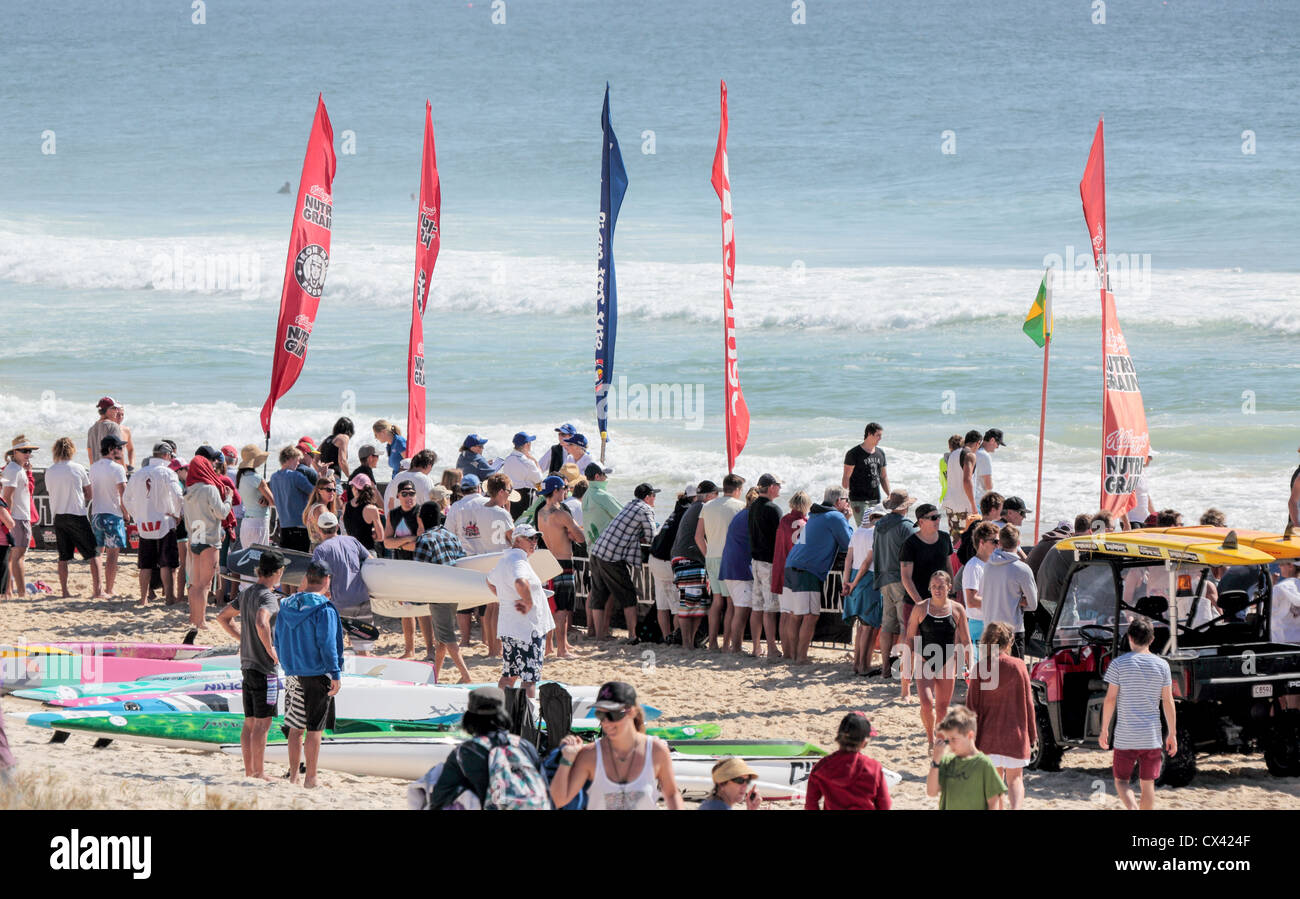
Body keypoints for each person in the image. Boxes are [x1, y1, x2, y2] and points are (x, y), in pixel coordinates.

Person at [550, 681, 684, 810]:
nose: (606, 722)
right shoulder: (590, 755)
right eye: (600, 714)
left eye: (612, 714)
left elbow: (671, 794)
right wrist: (566, 761)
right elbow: (557, 800)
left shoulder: (656, 750)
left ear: (631, 711)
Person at [216, 548, 286, 781]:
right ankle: (258, 772)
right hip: (265, 668)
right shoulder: (268, 596)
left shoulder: (246, 593)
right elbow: (261, 621)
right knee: (263, 724)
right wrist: (270, 648)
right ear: (278, 572)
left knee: (249, 723)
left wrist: (243, 639)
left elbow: (222, 617)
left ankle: (250, 771)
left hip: (246, 665)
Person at [273, 560, 343, 788]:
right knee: (315, 728)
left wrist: (287, 664)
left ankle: (294, 776)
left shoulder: (286, 604)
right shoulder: (324, 608)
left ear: (306, 579)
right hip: (317, 672)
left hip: (293, 672)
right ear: (326, 580)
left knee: (295, 727)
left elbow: (278, 640)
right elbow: (328, 643)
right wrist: (335, 672)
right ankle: (311, 779)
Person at [1100, 616, 1177, 810]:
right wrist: (1172, 733)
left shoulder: (1118, 664)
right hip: (1151, 736)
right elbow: (1168, 701)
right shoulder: (1162, 666)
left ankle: (1132, 808)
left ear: (1129, 638)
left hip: (1126, 735)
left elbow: (1110, 700)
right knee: (1148, 783)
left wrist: (1104, 730)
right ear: (1152, 640)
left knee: (1121, 781)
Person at [428, 687, 548, 810]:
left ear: (469, 718)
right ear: (503, 714)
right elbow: (545, 790)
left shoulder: (465, 752)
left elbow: (439, 799)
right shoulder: (525, 746)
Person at [965, 622, 1035, 809]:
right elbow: (1029, 704)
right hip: (1016, 734)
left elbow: (971, 708)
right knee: (1015, 779)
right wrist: (1033, 734)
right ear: (1010, 641)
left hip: (988, 736)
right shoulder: (1019, 666)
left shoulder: (980, 668)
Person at [783, 487, 854, 664]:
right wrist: (847, 520)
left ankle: (791, 654)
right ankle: (800, 657)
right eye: (847, 500)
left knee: (796, 614)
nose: (848, 503)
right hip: (807, 569)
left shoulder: (816, 514)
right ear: (838, 502)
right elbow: (849, 543)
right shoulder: (835, 516)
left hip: (792, 564)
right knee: (810, 615)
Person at [902, 570, 971, 747]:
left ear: (949, 587)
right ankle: (931, 739)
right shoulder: (921, 607)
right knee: (926, 704)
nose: (937, 590)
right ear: (929, 588)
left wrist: (970, 666)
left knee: (941, 708)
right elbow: (909, 637)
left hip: (948, 663)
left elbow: (965, 640)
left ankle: (939, 739)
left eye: (941, 586)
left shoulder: (957, 609)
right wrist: (907, 661)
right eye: (933, 586)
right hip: (925, 661)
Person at [485, 523, 555, 697]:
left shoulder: (505, 560)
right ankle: (527, 717)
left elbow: (489, 580)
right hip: (527, 630)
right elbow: (520, 582)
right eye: (529, 538)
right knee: (529, 678)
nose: (534, 542)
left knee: (510, 675)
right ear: (517, 540)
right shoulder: (518, 560)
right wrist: (528, 602)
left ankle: (498, 712)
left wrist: (504, 596)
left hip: (511, 628)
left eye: (536, 538)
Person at [589, 484, 659, 644]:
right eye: (654, 495)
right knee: (628, 595)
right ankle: (633, 635)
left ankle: (600, 636)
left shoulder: (630, 505)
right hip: (611, 556)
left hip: (597, 550)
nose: (655, 499)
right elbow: (652, 536)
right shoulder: (646, 509)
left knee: (599, 595)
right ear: (647, 497)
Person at [413, 502, 472, 681]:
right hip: (453, 591)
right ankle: (435, 676)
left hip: (437, 593)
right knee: (441, 639)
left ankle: (465, 675)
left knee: (447, 636)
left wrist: (413, 598)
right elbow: (462, 561)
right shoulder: (451, 536)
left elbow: (419, 572)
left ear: (420, 519)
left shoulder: (424, 540)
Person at [123, 442, 184, 604]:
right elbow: (178, 496)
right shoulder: (168, 473)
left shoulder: (138, 474)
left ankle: (143, 598)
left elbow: (126, 499)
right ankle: (169, 598)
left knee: (145, 564)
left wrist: (138, 515)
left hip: (144, 523)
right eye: (170, 456)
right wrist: (178, 514)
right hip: (164, 522)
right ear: (166, 455)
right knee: (167, 563)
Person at [44, 437, 103, 598]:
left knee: (63, 557)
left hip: (59, 515)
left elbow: (51, 491)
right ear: (72, 450)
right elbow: (89, 493)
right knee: (94, 553)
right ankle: (98, 591)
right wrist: (79, 495)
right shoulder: (77, 468)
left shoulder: (50, 470)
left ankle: (64, 591)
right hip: (76, 514)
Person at [535, 475, 585, 658]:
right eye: (564, 488)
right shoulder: (561, 514)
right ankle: (562, 650)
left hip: (548, 561)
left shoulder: (541, 512)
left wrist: (568, 532)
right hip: (563, 562)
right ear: (556, 490)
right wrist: (573, 530)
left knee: (551, 606)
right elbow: (581, 537)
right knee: (562, 609)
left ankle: (550, 646)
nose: (566, 491)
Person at [182, 454, 232, 630]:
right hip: (209, 538)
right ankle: (201, 621)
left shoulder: (187, 490)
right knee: (205, 584)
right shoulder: (209, 489)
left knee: (195, 584)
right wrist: (229, 498)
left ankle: (194, 619)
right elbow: (222, 513)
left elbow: (186, 518)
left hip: (195, 535)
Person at [697, 473, 746, 651]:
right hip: (730, 557)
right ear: (738, 490)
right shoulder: (741, 506)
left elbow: (698, 536)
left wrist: (707, 554)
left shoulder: (707, 506)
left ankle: (712, 642)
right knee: (731, 602)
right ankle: (726, 643)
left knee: (716, 601)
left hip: (711, 556)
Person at [805, 711, 892, 810]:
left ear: (839, 737)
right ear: (864, 742)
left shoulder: (821, 766)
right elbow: (885, 804)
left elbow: (810, 804)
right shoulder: (873, 767)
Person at [873, 488, 918, 679]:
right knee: (904, 624)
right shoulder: (906, 526)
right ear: (905, 507)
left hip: (883, 577)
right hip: (900, 579)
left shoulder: (879, 524)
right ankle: (901, 668)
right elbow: (914, 553)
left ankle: (885, 667)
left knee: (887, 624)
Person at [927, 706, 1007, 810]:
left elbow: (993, 802)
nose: (950, 744)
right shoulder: (947, 762)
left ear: (970, 735)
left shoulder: (983, 764)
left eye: (953, 739)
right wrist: (936, 761)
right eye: (947, 740)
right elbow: (931, 792)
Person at [670, 480, 719, 650]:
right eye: (716, 495)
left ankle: (689, 642)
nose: (718, 498)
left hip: (682, 558)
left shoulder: (694, 507)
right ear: (710, 496)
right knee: (690, 605)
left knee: (696, 604)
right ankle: (687, 643)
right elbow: (700, 537)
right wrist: (709, 559)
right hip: (689, 559)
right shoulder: (703, 508)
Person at [979, 525, 1039, 658]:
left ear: (999, 543)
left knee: (989, 676)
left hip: (990, 628)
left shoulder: (988, 566)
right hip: (1012, 630)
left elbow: (982, 593)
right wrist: (1019, 602)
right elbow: (1033, 604)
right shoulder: (1022, 569)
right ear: (1018, 544)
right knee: (1014, 675)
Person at [842, 505, 885, 675]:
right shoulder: (876, 533)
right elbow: (868, 562)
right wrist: (855, 582)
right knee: (868, 626)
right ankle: (863, 666)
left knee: (861, 626)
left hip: (853, 576)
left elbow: (848, 559)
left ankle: (857, 664)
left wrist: (847, 582)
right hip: (867, 578)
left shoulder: (857, 532)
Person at [899, 503, 955, 628]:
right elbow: (906, 577)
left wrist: (952, 593)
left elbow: (948, 567)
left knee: (940, 643)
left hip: (941, 602)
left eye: (939, 516)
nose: (938, 520)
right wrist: (920, 603)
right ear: (921, 521)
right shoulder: (910, 544)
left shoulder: (945, 538)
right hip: (916, 603)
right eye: (934, 517)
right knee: (915, 644)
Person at [746, 473, 783, 658]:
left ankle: (756, 647)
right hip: (768, 562)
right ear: (771, 488)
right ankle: (771, 648)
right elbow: (780, 538)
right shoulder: (773, 509)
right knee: (769, 608)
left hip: (756, 560)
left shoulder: (753, 507)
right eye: (778, 485)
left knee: (757, 606)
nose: (780, 489)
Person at [647, 488, 690, 644]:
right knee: (677, 606)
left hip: (654, 558)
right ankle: (678, 640)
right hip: (666, 562)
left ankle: (667, 637)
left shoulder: (676, 510)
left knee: (663, 605)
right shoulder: (688, 513)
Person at [90, 435, 131, 596]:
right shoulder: (117, 468)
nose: (121, 450)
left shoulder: (93, 467)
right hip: (113, 514)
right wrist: (126, 514)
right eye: (119, 448)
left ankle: (97, 589)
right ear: (111, 449)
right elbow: (123, 495)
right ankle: (109, 588)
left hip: (96, 512)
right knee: (113, 554)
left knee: (97, 552)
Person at [771, 490, 810, 659]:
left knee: (785, 614)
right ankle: (795, 652)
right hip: (797, 573)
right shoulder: (806, 524)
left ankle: (787, 652)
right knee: (796, 616)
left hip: (781, 570)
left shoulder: (784, 521)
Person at [311, 511, 372, 618]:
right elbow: (371, 561)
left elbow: (316, 579)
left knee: (337, 635)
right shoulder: (352, 540)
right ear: (338, 527)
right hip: (362, 600)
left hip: (340, 604)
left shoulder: (320, 550)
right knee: (364, 635)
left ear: (319, 529)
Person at [719, 489, 757, 654]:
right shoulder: (750, 517)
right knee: (741, 611)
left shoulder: (740, 515)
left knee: (737, 609)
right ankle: (736, 647)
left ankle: (735, 645)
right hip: (740, 568)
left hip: (730, 566)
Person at [1, 436, 39, 599]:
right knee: (18, 556)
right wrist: (7, 520)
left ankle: (9, 591)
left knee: (12, 557)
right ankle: (21, 593)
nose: (28, 454)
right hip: (17, 517)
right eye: (24, 451)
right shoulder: (14, 470)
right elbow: (7, 496)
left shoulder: (16, 469)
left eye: (29, 451)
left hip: (17, 516)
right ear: (15, 451)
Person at [269, 446, 316, 552]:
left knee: (288, 561)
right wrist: (322, 476)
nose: (298, 463)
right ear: (290, 459)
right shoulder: (296, 476)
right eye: (297, 460)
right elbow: (314, 493)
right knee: (300, 562)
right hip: (300, 525)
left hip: (284, 526)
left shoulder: (274, 477)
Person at [842, 422, 889, 525]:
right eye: (878, 435)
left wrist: (889, 494)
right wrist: (845, 499)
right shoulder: (853, 453)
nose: (880, 438)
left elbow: (883, 476)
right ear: (869, 434)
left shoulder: (880, 453)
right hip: (858, 500)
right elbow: (846, 477)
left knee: (876, 530)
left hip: (875, 499)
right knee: (865, 528)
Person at [960, 521, 1000, 643]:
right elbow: (972, 601)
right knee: (982, 662)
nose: (998, 545)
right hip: (979, 625)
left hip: (991, 623)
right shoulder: (973, 566)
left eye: (999, 541)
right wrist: (1001, 603)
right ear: (982, 542)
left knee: (993, 662)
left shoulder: (992, 564)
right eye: (994, 542)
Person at [233, 445, 274, 549]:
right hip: (259, 522)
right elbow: (273, 501)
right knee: (260, 558)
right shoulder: (257, 478)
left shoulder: (241, 478)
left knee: (248, 558)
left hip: (246, 522)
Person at [942, 430, 980, 536]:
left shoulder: (952, 454)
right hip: (964, 506)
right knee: (967, 542)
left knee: (956, 543)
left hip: (950, 503)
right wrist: (973, 506)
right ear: (978, 443)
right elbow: (967, 480)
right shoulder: (970, 455)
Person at [497, 432, 544, 518]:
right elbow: (539, 480)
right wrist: (535, 462)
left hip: (511, 494)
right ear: (526, 445)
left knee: (514, 520)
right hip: (525, 496)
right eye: (529, 443)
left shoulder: (508, 459)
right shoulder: (527, 462)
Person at [698, 757, 762, 810]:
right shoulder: (719, 807)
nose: (745, 785)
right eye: (739, 780)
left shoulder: (711, 804)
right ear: (722, 783)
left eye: (747, 780)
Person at [581, 462, 623, 544]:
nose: (606, 477)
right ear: (597, 476)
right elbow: (624, 516)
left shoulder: (586, 495)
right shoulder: (602, 495)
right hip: (605, 548)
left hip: (591, 547)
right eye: (604, 474)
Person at [342, 473, 385, 553]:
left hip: (351, 552)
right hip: (367, 552)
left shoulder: (346, 506)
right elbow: (381, 536)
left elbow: (350, 529)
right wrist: (370, 534)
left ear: (355, 488)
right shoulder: (371, 509)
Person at [303, 476, 342, 549]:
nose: (332, 493)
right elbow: (328, 533)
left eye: (334, 490)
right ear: (319, 491)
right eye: (328, 490)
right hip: (322, 547)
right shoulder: (320, 509)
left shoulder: (316, 506)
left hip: (317, 546)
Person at [86, 397, 125, 465]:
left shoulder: (91, 429)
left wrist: (93, 469)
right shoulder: (113, 426)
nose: (117, 411)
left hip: (96, 469)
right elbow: (118, 452)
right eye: (114, 408)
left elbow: (90, 453)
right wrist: (124, 470)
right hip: (112, 470)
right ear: (107, 410)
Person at [1271, 558, 1300, 645]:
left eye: (1282, 564)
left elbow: (1268, 611)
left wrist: (1271, 587)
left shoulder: (1279, 588)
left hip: (1282, 640)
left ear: (1291, 566)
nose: (1279, 566)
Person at [976, 428, 1004, 504]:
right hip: (978, 501)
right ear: (992, 440)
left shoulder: (974, 452)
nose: (997, 447)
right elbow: (988, 486)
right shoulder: (984, 455)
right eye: (998, 443)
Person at [1128, 454, 1157, 527]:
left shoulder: (1143, 472)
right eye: (1149, 456)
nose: (1151, 459)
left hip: (1144, 519)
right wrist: (1126, 524)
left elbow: (1146, 496)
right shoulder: (1129, 473)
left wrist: (1156, 517)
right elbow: (1121, 500)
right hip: (1131, 520)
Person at [938, 434, 961, 506]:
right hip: (958, 498)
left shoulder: (942, 461)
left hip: (946, 496)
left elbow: (941, 480)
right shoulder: (961, 460)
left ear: (949, 446)